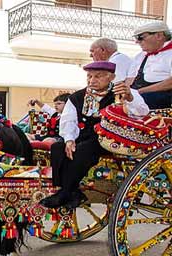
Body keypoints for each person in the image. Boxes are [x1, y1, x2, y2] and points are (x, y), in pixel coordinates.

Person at [39, 61, 149, 209]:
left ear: (111, 77)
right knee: (58, 147)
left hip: (111, 138)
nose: (92, 80)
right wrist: (69, 140)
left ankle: (65, 192)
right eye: (89, 76)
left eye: (98, 76)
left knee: (84, 149)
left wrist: (129, 97)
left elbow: (142, 112)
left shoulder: (123, 92)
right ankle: (70, 191)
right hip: (85, 136)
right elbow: (68, 121)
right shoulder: (77, 97)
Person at [126, 21, 172, 109]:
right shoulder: (140, 56)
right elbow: (130, 78)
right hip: (138, 96)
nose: (137, 42)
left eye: (140, 37)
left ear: (158, 36)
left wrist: (139, 92)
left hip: (159, 100)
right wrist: (125, 93)